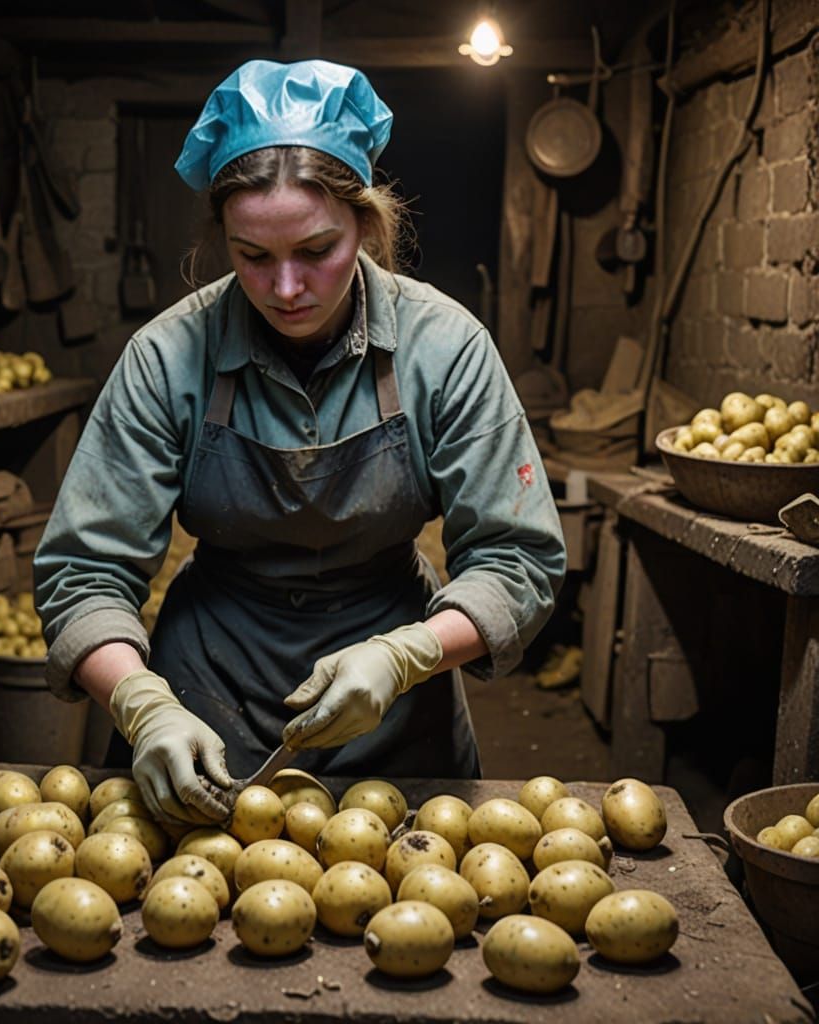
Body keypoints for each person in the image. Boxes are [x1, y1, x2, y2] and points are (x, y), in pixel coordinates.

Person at [34, 59, 566, 827]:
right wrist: (143, 704)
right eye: (253, 257)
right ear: (222, 239)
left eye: (317, 251)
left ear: (368, 226)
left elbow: (519, 557)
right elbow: (83, 571)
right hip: (205, 687)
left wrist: (405, 655)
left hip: (396, 702)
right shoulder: (167, 356)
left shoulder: (444, 347)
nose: (286, 289)